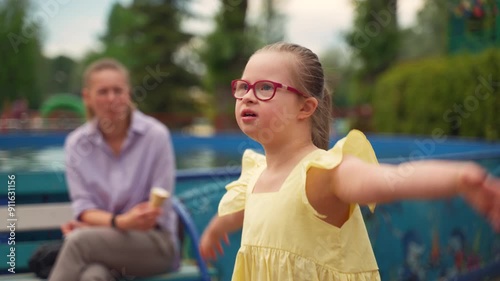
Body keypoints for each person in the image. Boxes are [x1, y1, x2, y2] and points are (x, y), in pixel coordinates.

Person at [199, 42, 500, 280]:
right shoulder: (256, 174)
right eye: (243, 86)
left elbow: (390, 182)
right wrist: (216, 231)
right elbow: (242, 212)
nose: (247, 97)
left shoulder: (322, 173)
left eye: (265, 88)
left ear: (305, 107)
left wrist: (461, 178)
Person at [49, 58, 179, 281]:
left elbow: (154, 213)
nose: (111, 99)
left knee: (78, 241)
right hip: (104, 245)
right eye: (103, 92)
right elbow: (84, 208)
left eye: (118, 91)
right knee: (93, 276)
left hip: (156, 244)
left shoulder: (155, 136)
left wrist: (103, 226)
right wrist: (118, 223)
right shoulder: (76, 144)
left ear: (128, 94)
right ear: (87, 98)